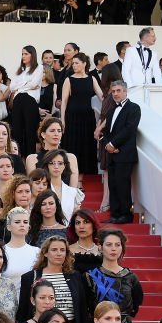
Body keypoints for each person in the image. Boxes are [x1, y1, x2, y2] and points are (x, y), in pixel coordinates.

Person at [16, 235, 89, 323]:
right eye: (54, 250)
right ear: (45, 253)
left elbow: (82, 310)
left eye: (62, 250)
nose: (59, 253)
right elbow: (23, 310)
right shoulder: (30, 277)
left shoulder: (75, 277)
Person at [83, 228, 143, 323]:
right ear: (100, 247)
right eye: (109, 245)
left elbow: (135, 306)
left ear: (122, 248)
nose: (113, 248)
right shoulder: (89, 276)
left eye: (117, 245)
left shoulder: (131, 278)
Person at [102, 81, 140, 224]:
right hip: (112, 153)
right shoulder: (112, 110)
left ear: (125, 91)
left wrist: (113, 144)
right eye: (113, 91)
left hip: (125, 153)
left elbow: (129, 129)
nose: (115, 94)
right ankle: (115, 214)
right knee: (113, 184)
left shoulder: (134, 108)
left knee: (123, 184)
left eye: (118, 91)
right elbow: (107, 131)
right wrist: (107, 144)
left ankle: (125, 215)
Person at [60, 53, 102, 177]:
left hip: (87, 117)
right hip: (72, 117)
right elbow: (64, 102)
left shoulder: (91, 79)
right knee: (73, 145)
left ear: (84, 64)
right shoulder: (69, 80)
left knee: (86, 145)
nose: (74, 65)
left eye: (77, 63)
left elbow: (101, 97)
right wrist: (62, 120)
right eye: (73, 63)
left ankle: (82, 177)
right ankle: (72, 176)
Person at [9, 46, 42, 158]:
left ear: (32, 55)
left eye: (26, 54)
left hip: (30, 100)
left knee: (30, 131)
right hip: (18, 100)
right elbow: (12, 87)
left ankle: (30, 159)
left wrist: (21, 86)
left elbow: (34, 84)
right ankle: (18, 159)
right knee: (17, 131)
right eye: (22, 54)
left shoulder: (39, 68)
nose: (23, 56)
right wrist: (26, 84)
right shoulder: (19, 71)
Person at [1, 206, 38, 279]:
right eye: (17, 222)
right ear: (9, 227)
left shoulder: (37, 251)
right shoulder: (1, 251)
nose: (22, 225)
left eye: (25, 222)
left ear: (29, 227)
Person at [68, 208, 102, 274]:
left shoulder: (102, 250)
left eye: (86, 222)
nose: (81, 226)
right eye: (77, 223)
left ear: (93, 225)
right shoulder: (67, 250)